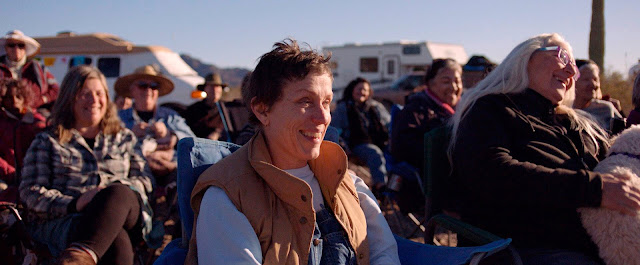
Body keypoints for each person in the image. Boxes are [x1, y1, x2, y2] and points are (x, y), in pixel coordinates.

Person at [186, 39, 400, 265]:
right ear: (262, 110)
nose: (323, 117)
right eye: (305, 101)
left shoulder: (346, 182)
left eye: (326, 102)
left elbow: (383, 251)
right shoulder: (227, 197)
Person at [449, 33, 640, 264]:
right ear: (525, 57)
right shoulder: (490, 109)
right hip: (523, 247)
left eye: (574, 68)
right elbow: (492, 173)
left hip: (599, 242)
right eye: (562, 57)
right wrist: (594, 190)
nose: (571, 72)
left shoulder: (577, 125)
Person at [19, 66, 156, 265]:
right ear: (69, 98)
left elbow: (145, 180)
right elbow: (30, 192)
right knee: (117, 240)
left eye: (99, 93)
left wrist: (106, 195)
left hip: (127, 211)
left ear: (107, 98)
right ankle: (83, 255)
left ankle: (79, 257)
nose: (94, 100)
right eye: (85, 94)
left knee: (117, 193)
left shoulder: (124, 138)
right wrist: (75, 202)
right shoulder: (48, 142)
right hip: (70, 219)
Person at [116, 65, 195, 180]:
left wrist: (171, 135)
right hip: (132, 173)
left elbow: (194, 142)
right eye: (142, 85)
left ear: (157, 92)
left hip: (170, 172)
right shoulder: (119, 117)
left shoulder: (170, 116)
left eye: (153, 86)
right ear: (132, 90)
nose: (148, 90)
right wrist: (129, 134)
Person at [391, 58, 462, 173]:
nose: (454, 87)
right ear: (430, 83)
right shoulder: (415, 110)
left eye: (457, 81)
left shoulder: (464, 110)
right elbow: (403, 148)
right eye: (446, 81)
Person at [331, 77, 390, 192]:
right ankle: (381, 186)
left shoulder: (375, 107)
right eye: (359, 89)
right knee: (375, 153)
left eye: (365, 90)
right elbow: (335, 130)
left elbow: (388, 124)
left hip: (380, 142)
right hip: (356, 144)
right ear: (352, 90)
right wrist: (342, 147)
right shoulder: (343, 107)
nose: (362, 92)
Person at [0, 79, 45, 202]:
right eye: (9, 97)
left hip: (32, 177)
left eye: (18, 97)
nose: (14, 101)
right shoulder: (2, 122)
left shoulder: (36, 121)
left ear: (25, 97)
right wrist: (11, 174)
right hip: (6, 178)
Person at [0, 30, 59, 111]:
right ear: (5, 48)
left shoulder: (38, 68)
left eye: (20, 45)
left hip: (35, 112)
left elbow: (55, 90)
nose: (16, 49)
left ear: (25, 48)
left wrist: (43, 99)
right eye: (11, 45)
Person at [573, 59, 623, 131]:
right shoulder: (563, 112)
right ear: (572, 82)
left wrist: (621, 112)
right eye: (586, 80)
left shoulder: (606, 109)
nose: (593, 84)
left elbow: (624, 135)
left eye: (595, 79)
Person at [183, 73, 233, 141]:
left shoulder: (228, 108)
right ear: (205, 89)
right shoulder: (194, 109)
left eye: (217, 86)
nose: (215, 89)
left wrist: (217, 133)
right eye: (211, 86)